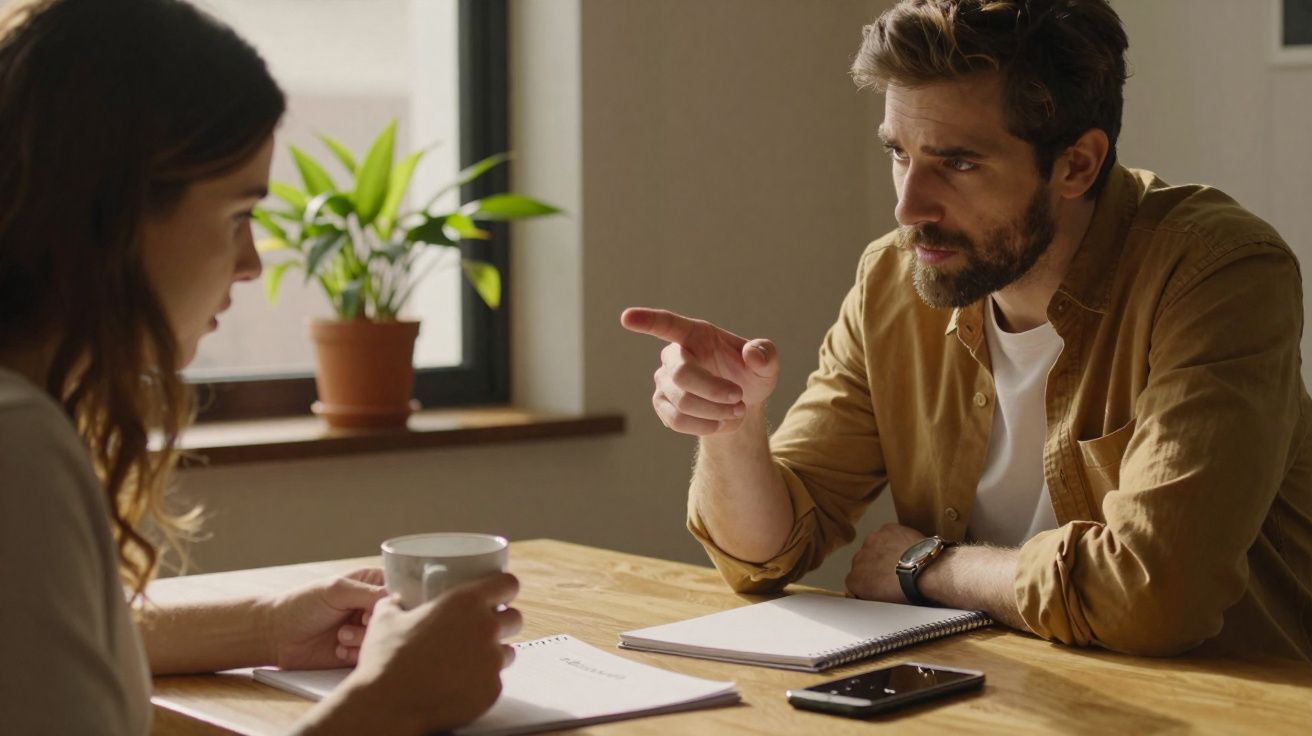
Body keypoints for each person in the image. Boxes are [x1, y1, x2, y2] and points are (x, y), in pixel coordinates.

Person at [623, 0, 1311, 660]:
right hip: (995, 694)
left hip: (1225, 705)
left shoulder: (1216, 274)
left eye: (957, 163)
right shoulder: (894, 281)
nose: (908, 207)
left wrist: (929, 566)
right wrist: (733, 426)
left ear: (1077, 164)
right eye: (899, 153)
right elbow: (766, 552)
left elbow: (1157, 593)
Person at [0, 0, 520, 733]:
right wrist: (389, 703)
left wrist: (268, 623)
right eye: (238, 215)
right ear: (110, 214)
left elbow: (40, 643)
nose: (251, 263)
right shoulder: (16, 445)